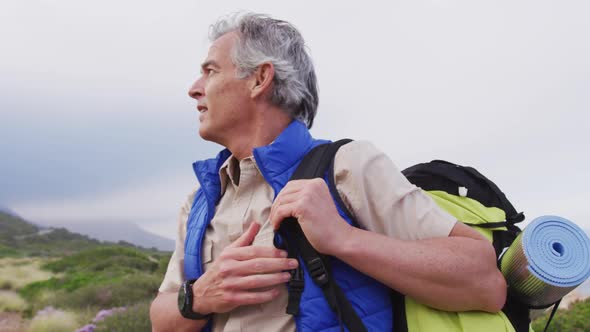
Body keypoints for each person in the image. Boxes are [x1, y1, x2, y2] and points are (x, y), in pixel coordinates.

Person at [150, 12, 507, 332]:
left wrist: (343, 239)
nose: (194, 88)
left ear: (260, 79)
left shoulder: (348, 166)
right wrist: (197, 297)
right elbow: (159, 319)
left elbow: (485, 282)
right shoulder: (198, 202)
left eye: (210, 71)